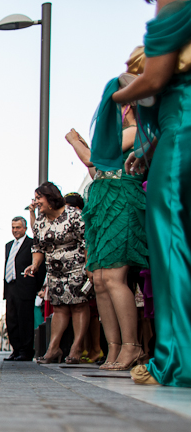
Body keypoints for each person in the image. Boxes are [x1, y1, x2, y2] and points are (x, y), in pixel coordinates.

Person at [112, 0, 191, 387]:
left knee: (173, 243)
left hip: (183, 137)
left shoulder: (175, 1)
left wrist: (115, 93)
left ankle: (180, 360)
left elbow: (157, 78)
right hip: (175, 134)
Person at [68, 103, 149, 372]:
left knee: (114, 277)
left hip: (122, 203)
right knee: (101, 280)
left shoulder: (136, 130)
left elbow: (94, 159)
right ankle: (113, 346)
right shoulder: (119, 134)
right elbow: (96, 173)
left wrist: (74, 142)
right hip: (103, 206)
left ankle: (132, 346)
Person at [24, 182, 93, 364]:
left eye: (39, 198)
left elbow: (86, 241)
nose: (36, 202)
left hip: (77, 266)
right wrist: (34, 265)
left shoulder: (74, 215)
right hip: (54, 271)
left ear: (51, 198)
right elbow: (38, 246)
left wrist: (89, 266)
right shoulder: (40, 222)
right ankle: (53, 348)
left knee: (78, 306)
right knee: (60, 308)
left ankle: (76, 348)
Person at [3, 216, 44, 361]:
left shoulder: (32, 244)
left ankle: (26, 351)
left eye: (18, 227)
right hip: (11, 286)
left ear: (25, 228)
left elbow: (40, 266)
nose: (15, 230)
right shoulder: (9, 245)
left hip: (26, 287)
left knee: (24, 320)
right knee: (11, 320)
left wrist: (38, 287)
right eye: (13, 227)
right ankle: (16, 349)